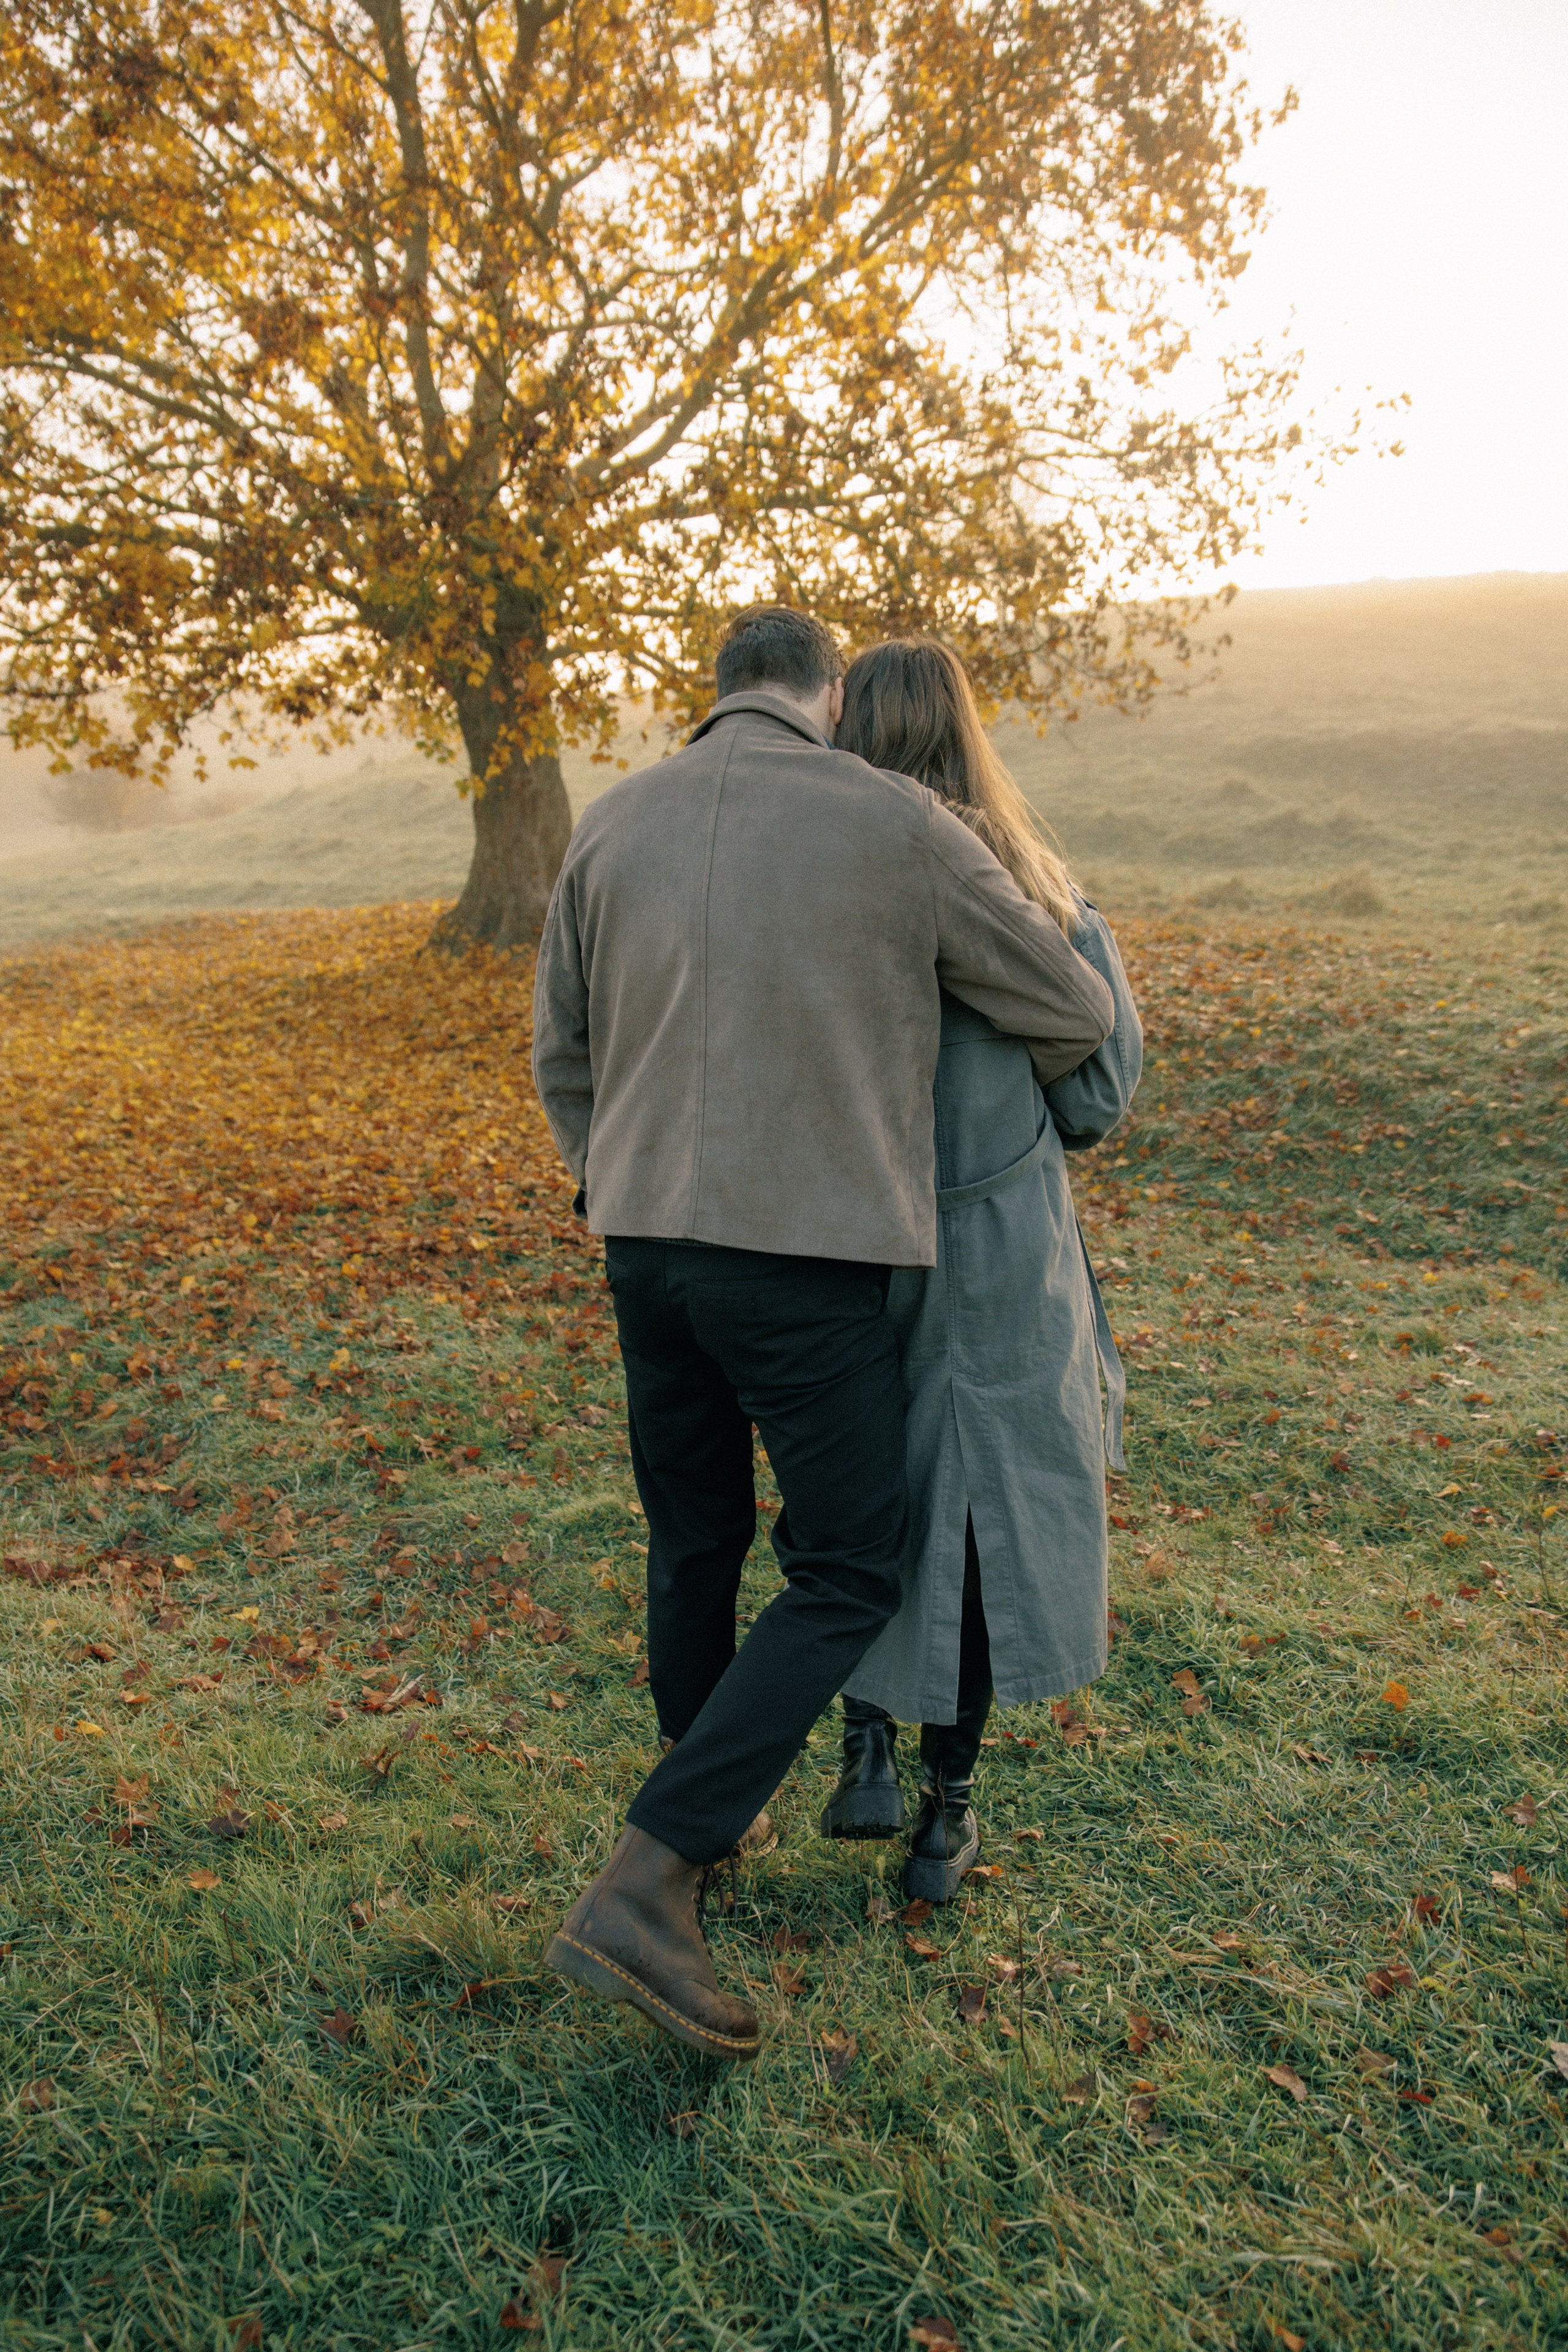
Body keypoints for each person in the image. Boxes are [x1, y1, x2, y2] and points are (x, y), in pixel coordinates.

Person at [530, 605, 1115, 2062]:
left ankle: (698, 1827)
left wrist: (614, 1175)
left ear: (716, 689)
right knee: (850, 1561)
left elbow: (562, 1051)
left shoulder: (611, 821)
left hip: (642, 1247)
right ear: (827, 693)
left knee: (693, 1543)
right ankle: (652, 1875)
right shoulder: (888, 823)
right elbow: (1066, 1001)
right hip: (799, 1263)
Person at [818, 638, 1142, 1901]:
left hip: (847, 1241)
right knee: (983, 1519)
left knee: (858, 1495)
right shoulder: (1037, 896)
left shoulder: (821, 900)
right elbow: (1098, 1097)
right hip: (1001, 1249)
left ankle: (862, 1743)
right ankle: (945, 1820)